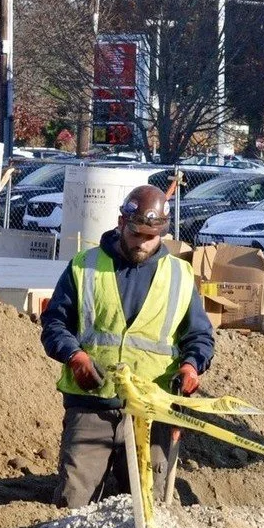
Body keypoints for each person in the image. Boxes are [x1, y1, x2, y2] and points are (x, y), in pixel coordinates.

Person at [40, 184, 215, 508]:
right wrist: (75, 357)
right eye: (136, 234)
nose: (142, 243)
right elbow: (55, 323)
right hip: (93, 405)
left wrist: (192, 366)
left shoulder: (179, 274)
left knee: (148, 508)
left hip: (151, 411)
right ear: (122, 223)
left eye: (151, 237)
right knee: (74, 503)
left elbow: (199, 336)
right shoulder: (85, 266)